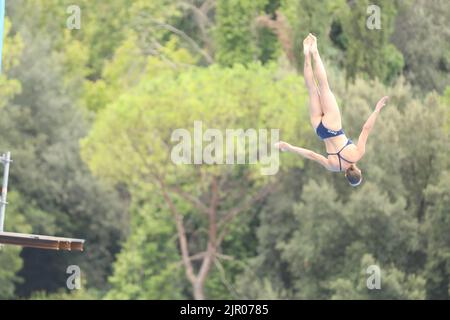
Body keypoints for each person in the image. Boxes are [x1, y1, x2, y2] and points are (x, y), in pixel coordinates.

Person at [275, 34, 389, 186]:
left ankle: (314, 52)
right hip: (320, 130)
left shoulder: (357, 154)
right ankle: (307, 56)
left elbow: (366, 129)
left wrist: (376, 110)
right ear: (346, 176)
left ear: (359, 171)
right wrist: (289, 147)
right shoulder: (333, 166)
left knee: (324, 86)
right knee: (312, 89)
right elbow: (312, 155)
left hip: (333, 125)